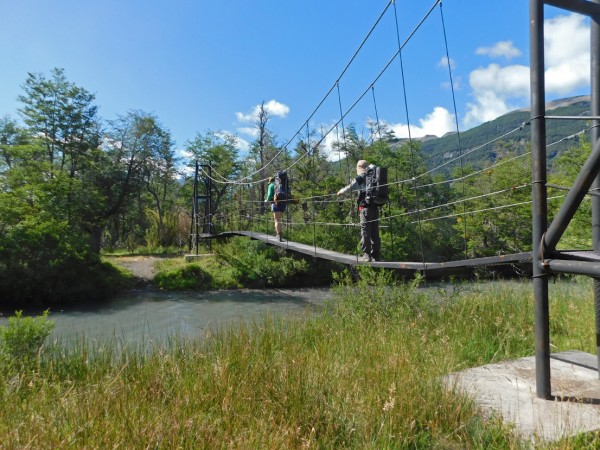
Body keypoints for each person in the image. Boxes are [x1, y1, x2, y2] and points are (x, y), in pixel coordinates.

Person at [337, 160, 381, 262]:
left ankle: (366, 255)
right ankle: (377, 255)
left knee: (365, 230)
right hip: (375, 206)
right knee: (375, 231)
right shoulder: (374, 175)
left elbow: (351, 187)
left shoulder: (362, 176)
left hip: (365, 207)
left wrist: (341, 192)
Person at [265, 176, 285, 242]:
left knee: (277, 220)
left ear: (270, 181)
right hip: (283, 204)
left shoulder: (271, 185)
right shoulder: (281, 185)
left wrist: (266, 200)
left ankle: (278, 235)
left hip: (276, 203)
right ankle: (279, 234)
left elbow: (269, 194)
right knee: (279, 220)